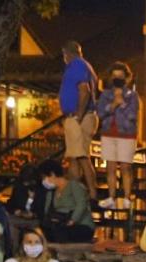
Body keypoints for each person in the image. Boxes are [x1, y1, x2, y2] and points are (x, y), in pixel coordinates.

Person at [96, 61, 141, 210]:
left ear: (127, 78)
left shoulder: (132, 96)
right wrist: (112, 105)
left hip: (126, 134)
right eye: (114, 76)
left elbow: (133, 115)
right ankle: (111, 197)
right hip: (109, 133)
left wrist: (122, 104)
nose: (117, 79)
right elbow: (101, 113)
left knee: (126, 167)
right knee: (110, 166)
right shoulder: (105, 95)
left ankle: (127, 197)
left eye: (120, 76)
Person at [59, 40, 100, 204]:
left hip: (79, 118)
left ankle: (91, 194)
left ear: (66, 54)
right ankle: (76, 193)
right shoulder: (86, 66)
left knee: (81, 156)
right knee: (75, 157)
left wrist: (78, 115)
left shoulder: (76, 66)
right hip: (84, 117)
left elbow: (84, 90)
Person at [38, 159, 95, 243]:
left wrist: (72, 220)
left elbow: (81, 204)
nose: (44, 181)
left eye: (44, 177)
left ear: (52, 174)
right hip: (60, 224)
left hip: (80, 225)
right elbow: (47, 211)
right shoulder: (51, 192)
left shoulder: (74, 186)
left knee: (62, 233)